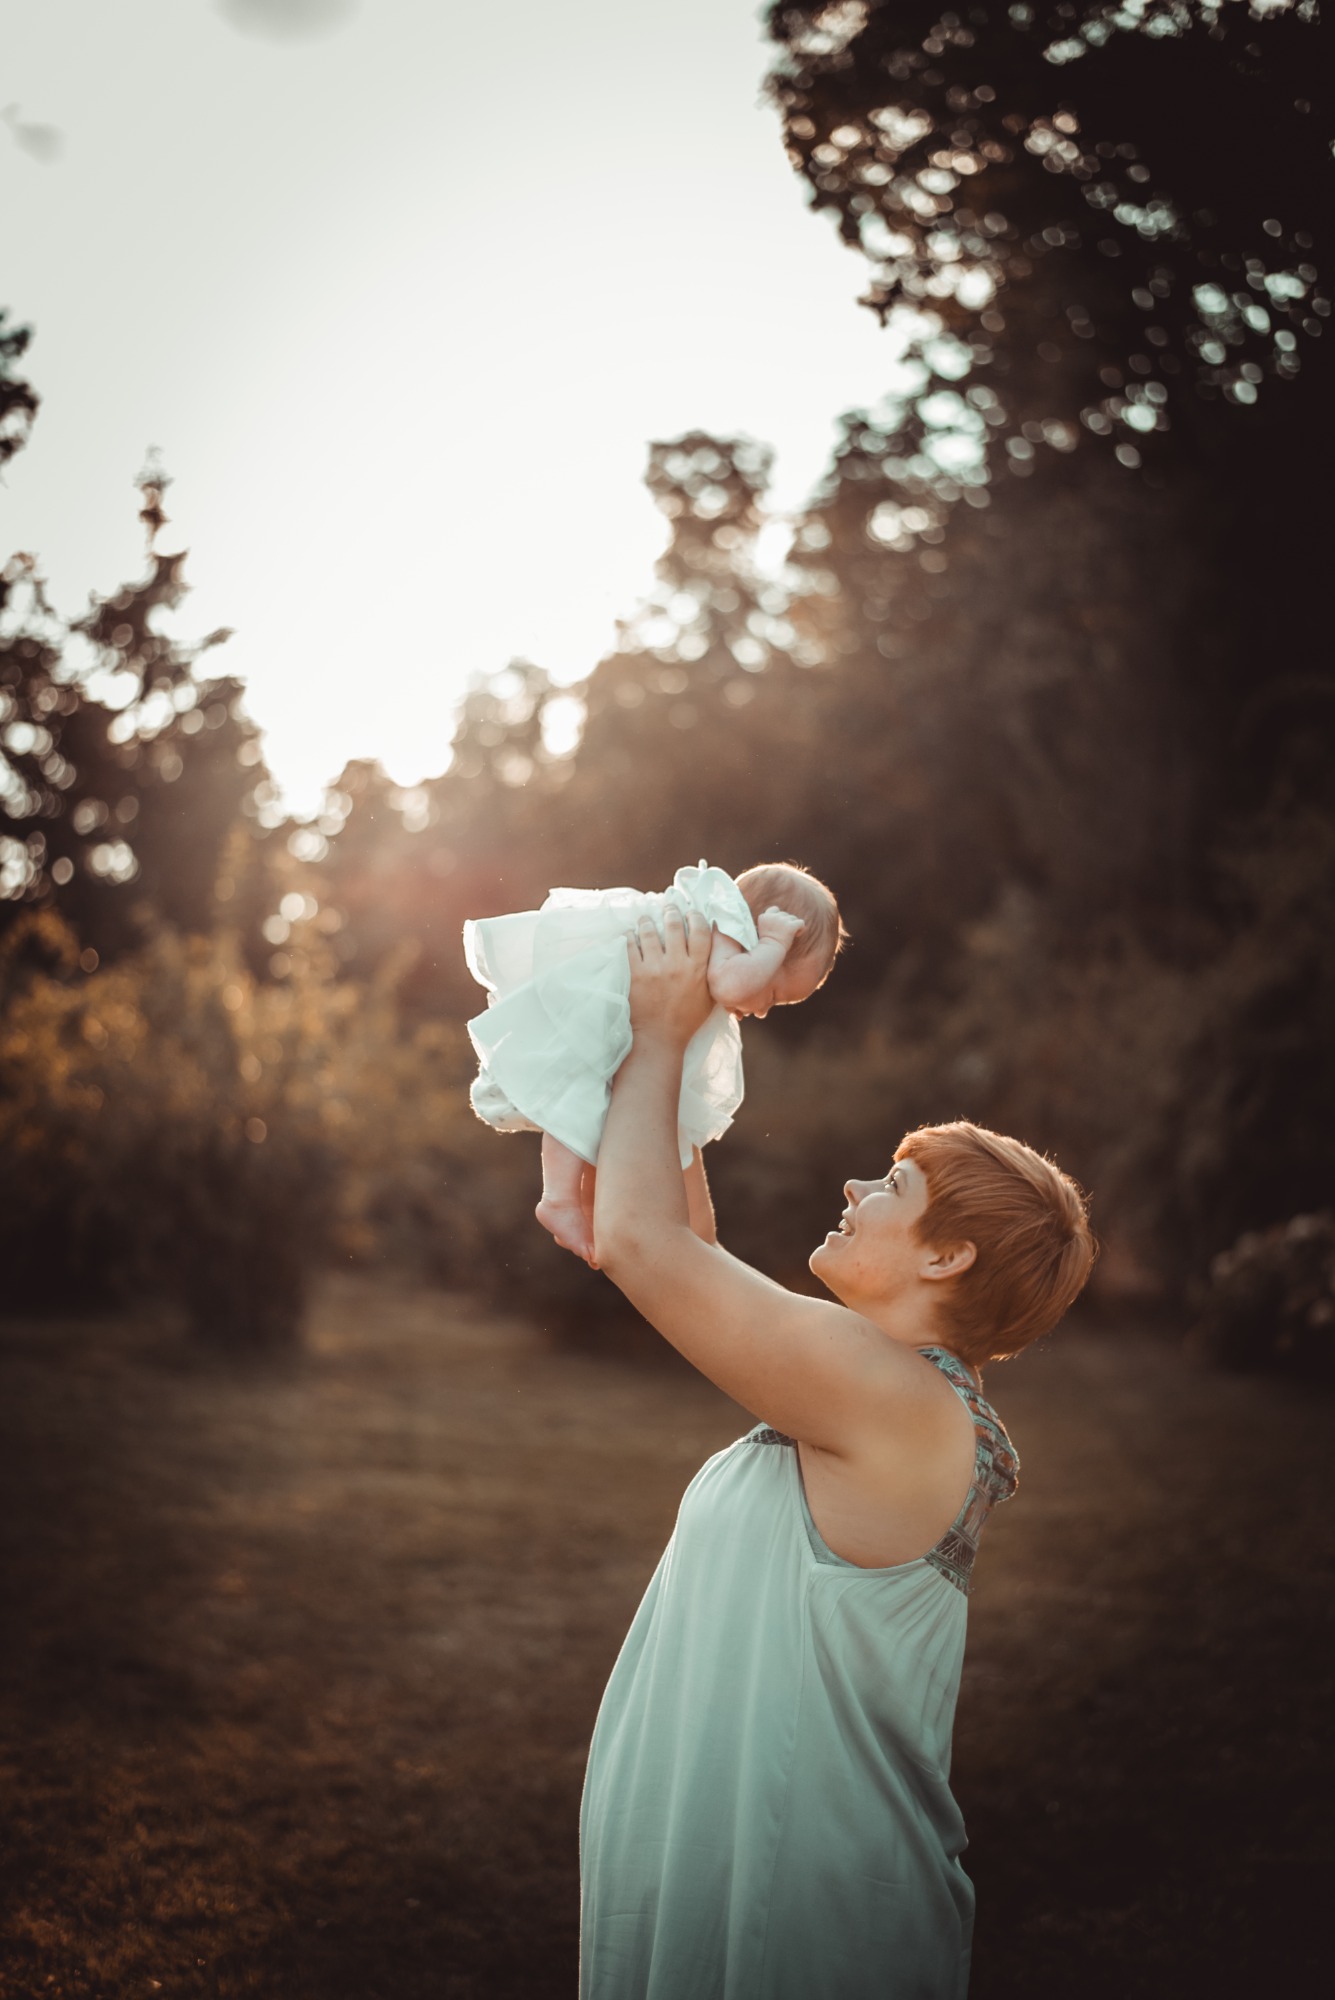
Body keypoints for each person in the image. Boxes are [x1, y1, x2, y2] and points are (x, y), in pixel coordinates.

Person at [579, 904, 1096, 2000]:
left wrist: (664, 1028)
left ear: (948, 1254)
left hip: (804, 1923)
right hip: (760, 1894)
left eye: (890, 1188)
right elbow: (691, 1253)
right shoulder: (865, 1383)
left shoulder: (900, 1400)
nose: (854, 1193)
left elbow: (639, 1239)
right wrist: (686, 1044)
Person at [463, 859, 845, 1265]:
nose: (765, 1010)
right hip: (607, 1004)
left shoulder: (713, 932)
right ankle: (559, 1199)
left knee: (589, 1104)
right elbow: (733, 982)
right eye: (772, 992)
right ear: (759, 930)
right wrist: (774, 944)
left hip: (613, 1011)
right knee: (579, 1096)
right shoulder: (727, 926)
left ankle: (577, 1202)